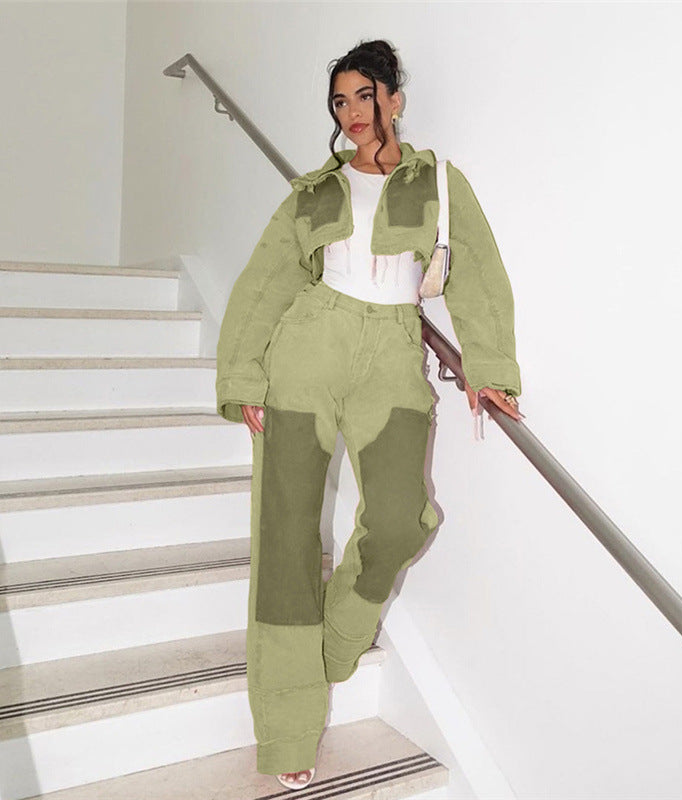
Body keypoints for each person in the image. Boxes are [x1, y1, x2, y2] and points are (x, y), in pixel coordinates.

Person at [214, 39, 524, 790]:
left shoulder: (438, 181)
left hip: (391, 354)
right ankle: (287, 731)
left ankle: (334, 641)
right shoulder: (314, 190)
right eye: (340, 101)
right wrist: (244, 373)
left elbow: (477, 275)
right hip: (307, 350)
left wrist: (489, 371)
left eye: (364, 95)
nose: (352, 112)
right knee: (287, 538)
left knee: (401, 517)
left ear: (394, 98)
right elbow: (264, 282)